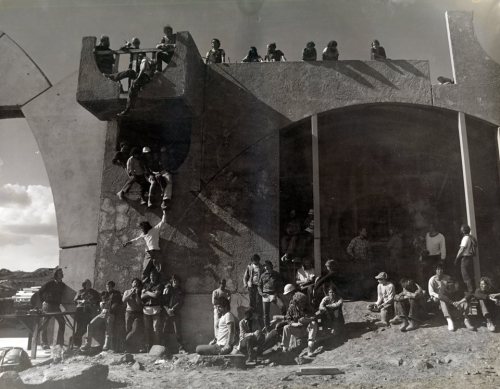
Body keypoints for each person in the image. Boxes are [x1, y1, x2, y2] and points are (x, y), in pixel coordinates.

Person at [123, 208, 167, 282]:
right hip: (149, 253)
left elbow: (163, 221)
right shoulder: (143, 234)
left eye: (142, 228)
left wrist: (164, 212)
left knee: (160, 270)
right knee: (145, 270)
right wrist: (128, 243)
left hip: (156, 253)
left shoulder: (155, 229)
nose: (141, 230)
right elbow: (136, 240)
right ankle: (143, 285)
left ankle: (160, 284)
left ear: (145, 227)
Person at [81, 280, 123, 352]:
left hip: (110, 313)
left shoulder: (116, 294)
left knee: (108, 330)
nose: (108, 287)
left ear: (113, 287)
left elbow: (117, 304)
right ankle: (87, 343)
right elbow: (98, 301)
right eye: (107, 286)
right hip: (102, 313)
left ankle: (106, 346)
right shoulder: (104, 293)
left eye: (110, 286)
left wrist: (109, 307)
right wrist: (100, 304)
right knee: (90, 325)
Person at [281, 292, 318, 356]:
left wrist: (307, 319)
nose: (302, 304)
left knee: (313, 323)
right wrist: (294, 324)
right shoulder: (291, 308)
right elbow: (288, 318)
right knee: (286, 328)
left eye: (303, 302)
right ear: (296, 302)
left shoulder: (308, 307)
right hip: (297, 330)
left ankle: (310, 349)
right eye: (300, 302)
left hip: (307, 330)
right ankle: (285, 350)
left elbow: (314, 316)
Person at [39, 268, 67, 349]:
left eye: (62, 273)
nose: (61, 274)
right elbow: (40, 292)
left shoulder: (63, 285)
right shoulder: (49, 283)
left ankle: (59, 343)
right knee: (45, 324)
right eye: (59, 273)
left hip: (56, 306)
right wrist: (43, 301)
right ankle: (44, 343)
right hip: (48, 305)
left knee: (62, 322)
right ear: (55, 275)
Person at [73, 279, 101, 348]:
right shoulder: (80, 291)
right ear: (84, 285)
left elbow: (98, 301)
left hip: (89, 311)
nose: (89, 285)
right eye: (87, 284)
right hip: (80, 310)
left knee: (86, 327)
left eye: (90, 284)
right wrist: (81, 301)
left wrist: (93, 303)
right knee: (79, 327)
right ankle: (77, 344)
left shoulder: (94, 292)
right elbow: (75, 300)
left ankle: (75, 340)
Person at [163, 274, 186, 353]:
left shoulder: (181, 291)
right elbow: (164, 301)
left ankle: (181, 348)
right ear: (171, 281)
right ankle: (165, 347)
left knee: (177, 331)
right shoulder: (167, 289)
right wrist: (167, 310)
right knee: (165, 330)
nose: (175, 282)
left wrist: (173, 309)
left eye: (177, 280)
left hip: (175, 313)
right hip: (167, 313)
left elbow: (181, 302)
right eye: (174, 280)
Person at [141, 270, 164, 350]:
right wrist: (150, 293)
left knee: (156, 328)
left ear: (156, 277)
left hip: (156, 308)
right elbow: (141, 297)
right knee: (147, 329)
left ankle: (156, 347)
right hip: (146, 309)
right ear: (149, 277)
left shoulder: (159, 285)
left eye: (154, 276)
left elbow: (155, 295)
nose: (152, 277)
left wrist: (147, 292)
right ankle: (147, 347)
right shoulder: (146, 285)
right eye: (151, 276)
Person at [259, 261, 284, 329]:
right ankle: (267, 328)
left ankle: (283, 323)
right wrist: (261, 293)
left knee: (282, 306)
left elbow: (280, 285)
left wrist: (276, 293)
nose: (266, 267)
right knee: (266, 314)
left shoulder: (276, 274)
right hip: (265, 295)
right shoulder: (263, 275)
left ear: (270, 266)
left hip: (274, 294)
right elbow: (259, 286)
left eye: (267, 266)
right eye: (265, 266)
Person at [122, 278, 144, 352]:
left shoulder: (140, 292)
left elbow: (139, 303)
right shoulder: (127, 291)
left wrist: (137, 294)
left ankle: (128, 344)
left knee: (136, 329)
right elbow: (124, 300)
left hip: (137, 313)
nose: (135, 284)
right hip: (129, 312)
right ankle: (128, 348)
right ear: (132, 284)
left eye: (137, 283)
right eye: (134, 282)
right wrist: (131, 293)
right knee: (128, 329)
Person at [455, 224, 478, 292]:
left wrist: (456, 258)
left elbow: (462, 249)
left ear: (463, 231)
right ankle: (473, 292)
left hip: (465, 259)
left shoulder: (465, 238)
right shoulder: (471, 237)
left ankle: (471, 293)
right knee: (470, 276)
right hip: (470, 258)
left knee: (466, 276)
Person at [243, 254, 264, 326]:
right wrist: (245, 284)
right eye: (254, 261)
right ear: (252, 261)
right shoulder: (249, 266)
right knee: (252, 301)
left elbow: (263, 276)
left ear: (259, 260)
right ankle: (251, 316)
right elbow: (245, 276)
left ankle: (258, 316)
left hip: (258, 286)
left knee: (258, 301)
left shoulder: (261, 267)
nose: (256, 262)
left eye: (257, 260)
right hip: (251, 286)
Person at [158, 145, 174, 209]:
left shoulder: (169, 158)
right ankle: (165, 199)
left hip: (166, 172)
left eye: (164, 152)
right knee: (168, 182)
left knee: (169, 182)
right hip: (162, 172)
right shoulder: (159, 158)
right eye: (162, 153)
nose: (163, 154)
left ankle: (165, 199)